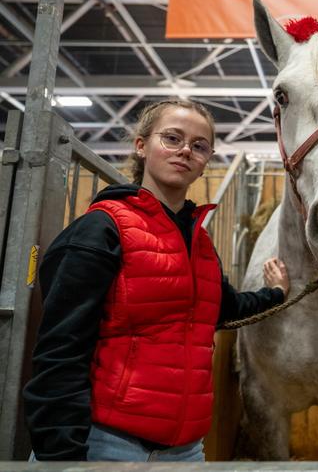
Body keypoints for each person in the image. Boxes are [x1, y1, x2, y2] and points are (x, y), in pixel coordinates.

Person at [23, 99, 290, 462]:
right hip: (105, 446)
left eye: (199, 146)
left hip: (185, 450)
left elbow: (222, 309)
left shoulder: (199, 242)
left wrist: (275, 293)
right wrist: (62, 456)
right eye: (172, 138)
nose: (185, 151)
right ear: (141, 145)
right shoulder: (101, 229)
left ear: (205, 162)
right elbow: (61, 350)